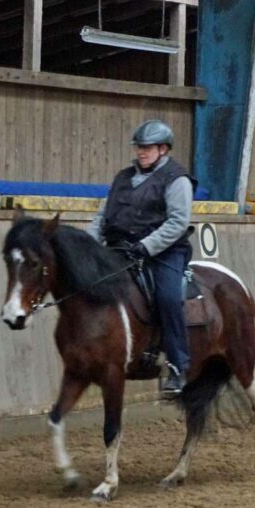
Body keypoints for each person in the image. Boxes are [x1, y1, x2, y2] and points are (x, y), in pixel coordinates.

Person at [88, 119, 196, 396]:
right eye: (139, 147)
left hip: (164, 252)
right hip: (121, 248)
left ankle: (177, 365)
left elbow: (178, 222)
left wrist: (147, 246)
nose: (141, 152)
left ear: (163, 149)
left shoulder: (177, 180)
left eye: (147, 148)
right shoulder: (123, 178)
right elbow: (103, 215)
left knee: (168, 297)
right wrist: (88, 245)